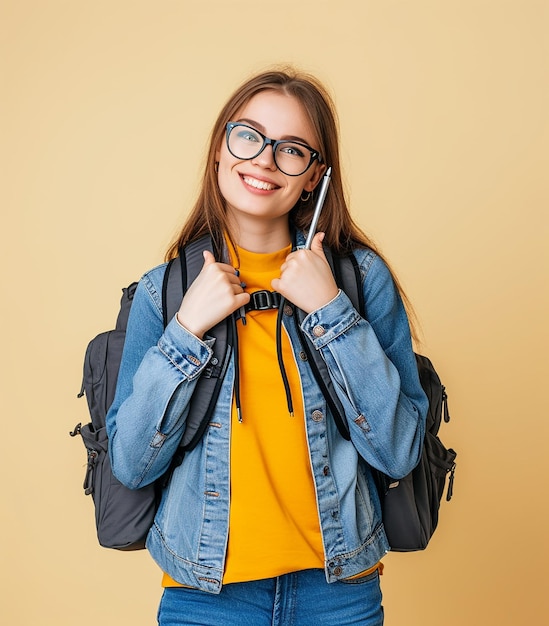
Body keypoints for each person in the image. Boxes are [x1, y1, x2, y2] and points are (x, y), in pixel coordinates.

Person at [106, 67, 428, 626]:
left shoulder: (358, 280)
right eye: (248, 135)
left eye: (292, 149)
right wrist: (185, 330)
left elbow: (398, 450)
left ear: (314, 176)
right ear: (219, 148)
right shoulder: (166, 291)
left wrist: (330, 311)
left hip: (341, 594)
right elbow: (132, 464)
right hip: (205, 596)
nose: (263, 159)